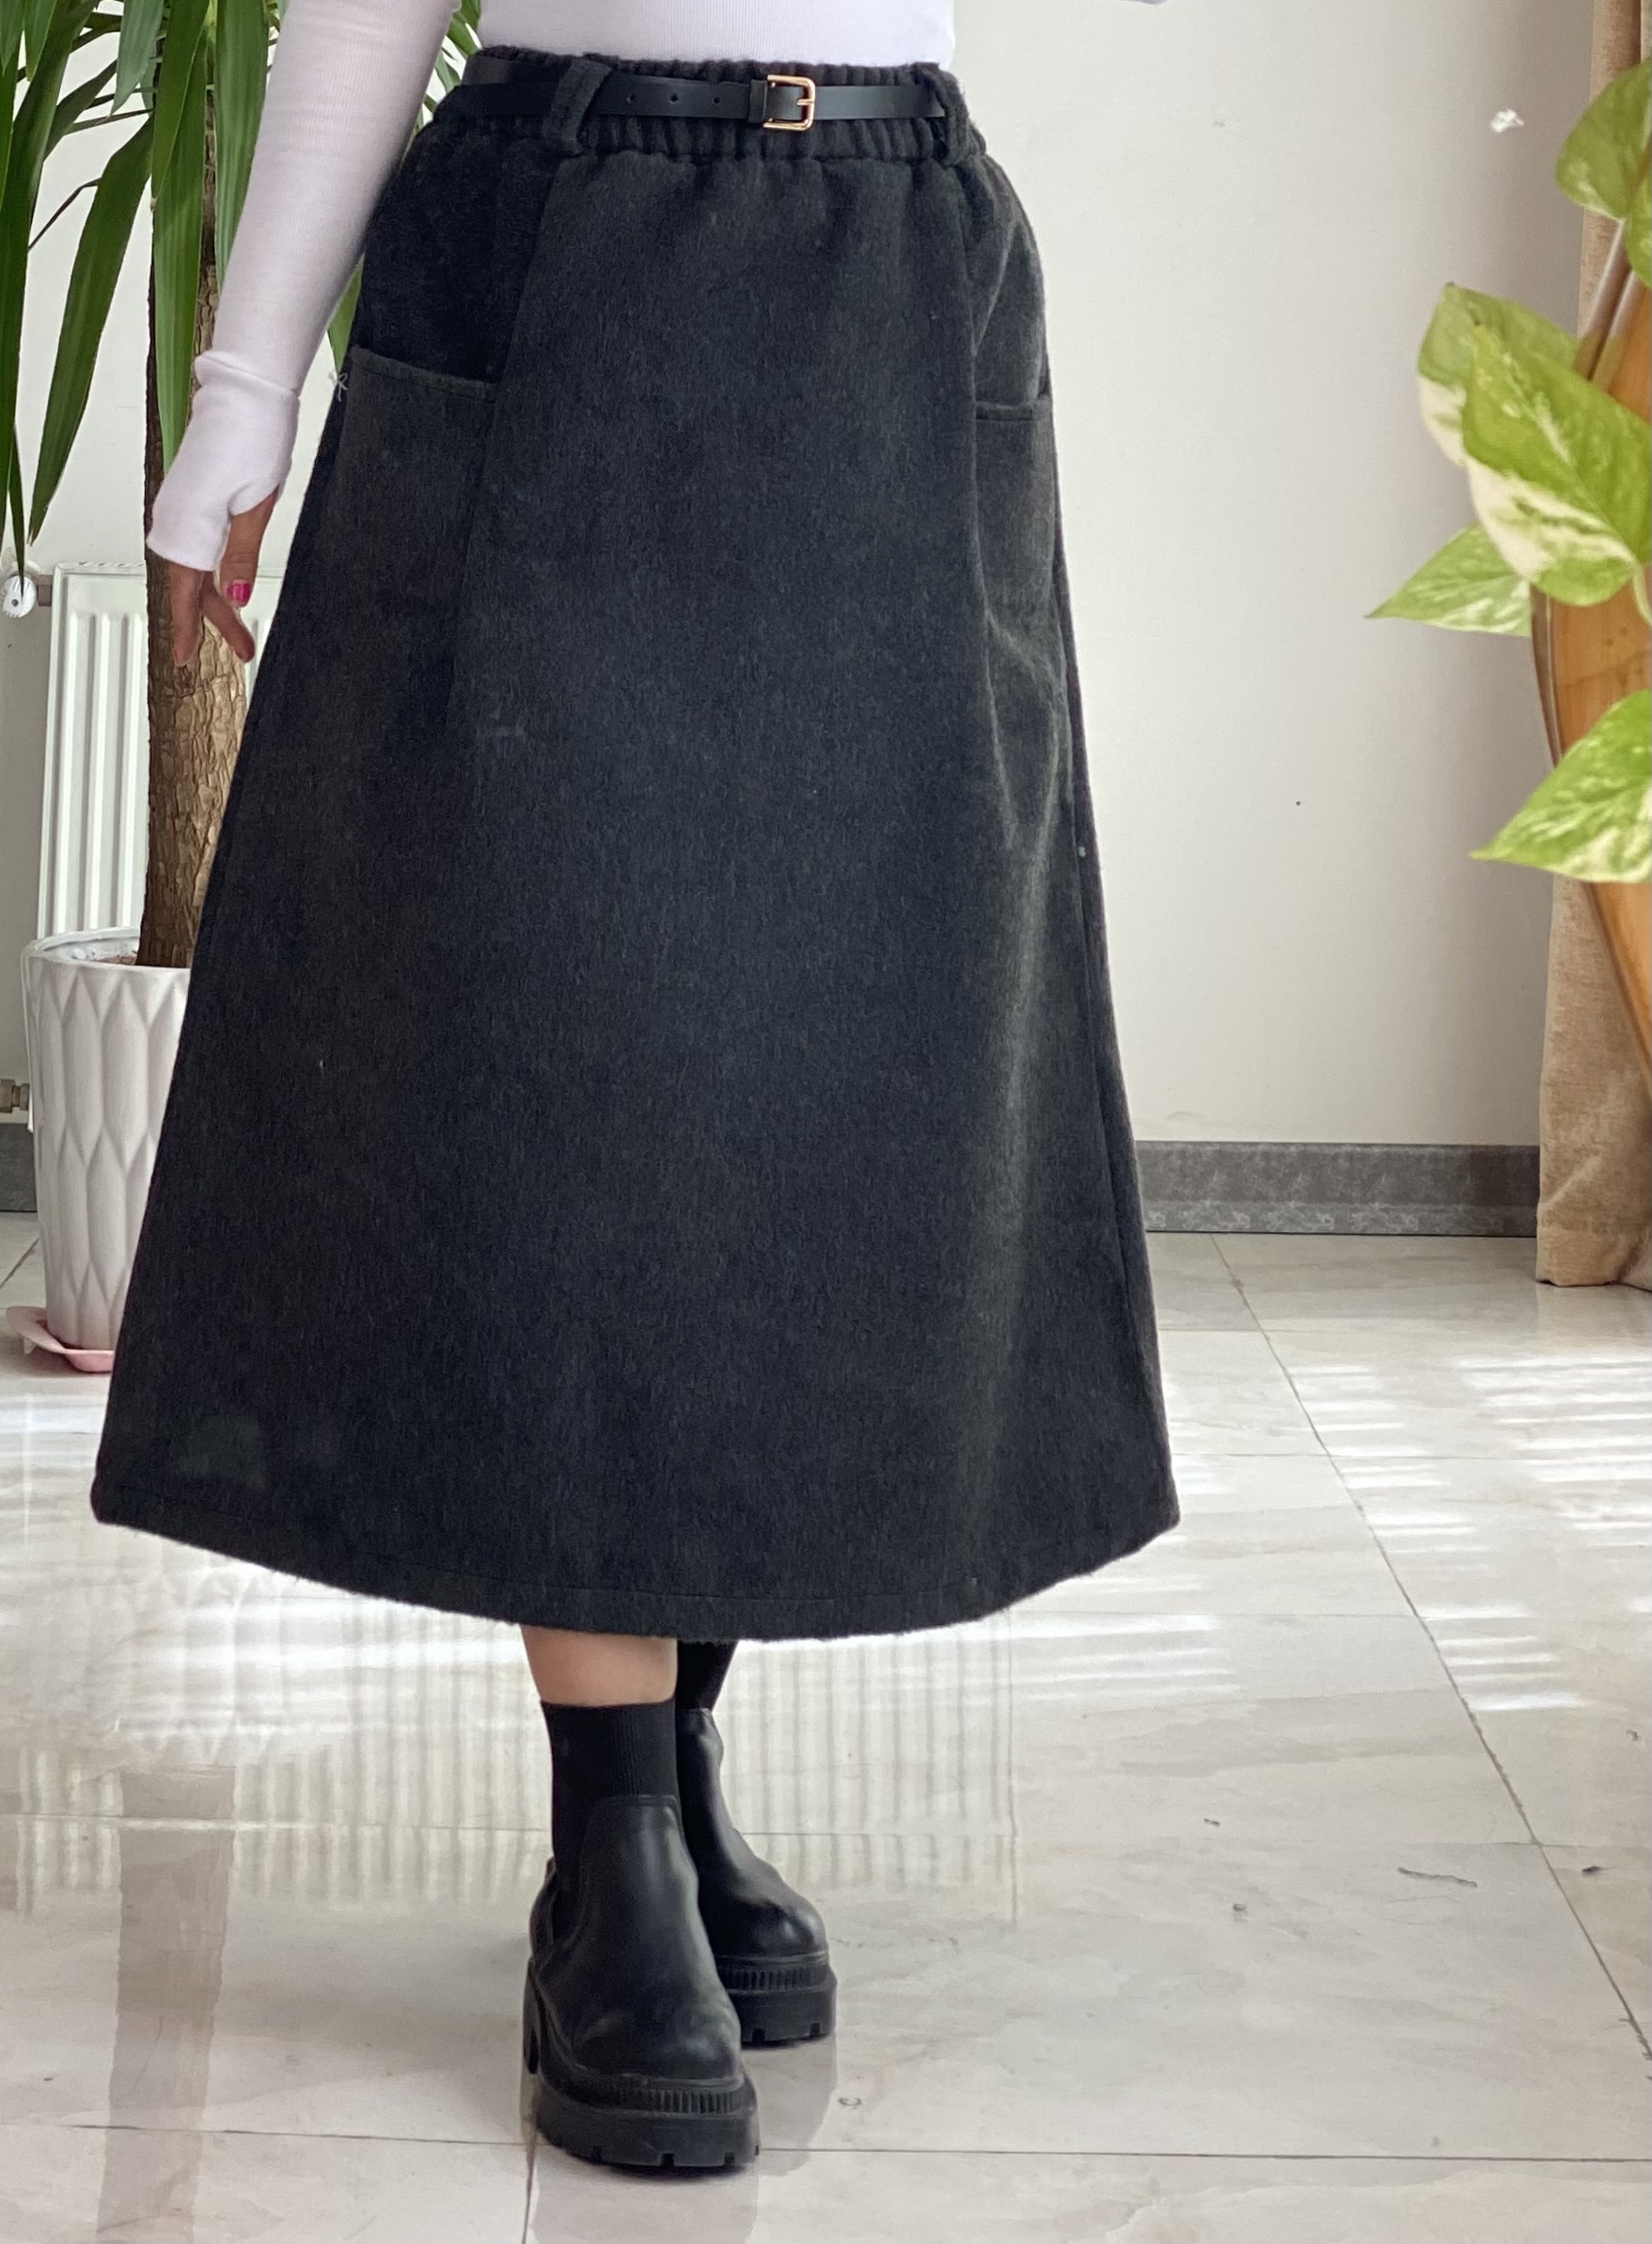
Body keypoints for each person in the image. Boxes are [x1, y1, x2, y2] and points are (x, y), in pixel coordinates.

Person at [93, 0, 1178, 2177]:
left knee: (799, 1064)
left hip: (891, 259)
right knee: (571, 1064)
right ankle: (607, 1851)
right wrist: (241, 392)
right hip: (559, 239)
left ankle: (670, 1773)